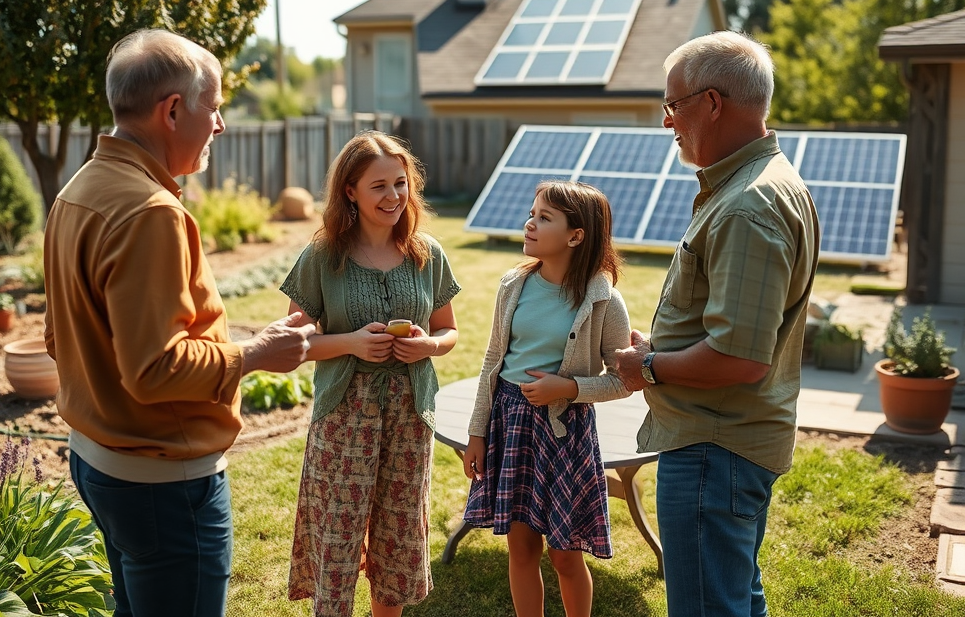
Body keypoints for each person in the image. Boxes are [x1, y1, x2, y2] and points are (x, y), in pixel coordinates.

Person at [43, 28, 316, 617]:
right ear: (172, 111)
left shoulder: (78, 191)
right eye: (212, 107)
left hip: (97, 458)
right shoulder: (150, 213)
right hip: (161, 482)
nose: (219, 124)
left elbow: (56, 336)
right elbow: (154, 370)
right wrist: (256, 352)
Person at [614, 30, 820, 617]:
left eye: (673, 104)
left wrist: (647, 367)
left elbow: (740, 358)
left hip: (714, 450)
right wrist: (662, 344)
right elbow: (741, 330)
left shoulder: (748, 205)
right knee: (734, 599)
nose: (666, 121)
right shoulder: (760, 184)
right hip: (731, 448)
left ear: (711, 103)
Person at [280, 130, 461, 617]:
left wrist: (427, 345)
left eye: (400, 184)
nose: (394, 196)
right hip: (344, 417)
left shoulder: (427, 254)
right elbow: (291, 343)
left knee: (397, 538)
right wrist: (352, 343)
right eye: (379, 185)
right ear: (350, 191)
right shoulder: (323, 256)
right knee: (338, 537)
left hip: (410, 416)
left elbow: (449, 333)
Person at [462, 180, 631, 617]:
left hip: (563, 433)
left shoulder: (604, 301)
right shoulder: (512, 286)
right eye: (532, 212)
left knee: (564, 554)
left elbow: (623, 380)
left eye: (544, 218)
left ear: (576, 236)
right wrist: (477, 432)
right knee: (521, 549)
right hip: (510, 425)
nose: (529, 223)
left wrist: (569, 389)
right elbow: (491, 362)